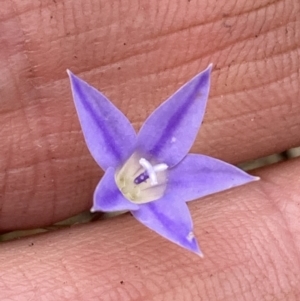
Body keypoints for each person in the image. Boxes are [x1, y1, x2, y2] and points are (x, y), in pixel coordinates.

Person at [0, 0, 299, 299]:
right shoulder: (111, 186)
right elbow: (104, 182)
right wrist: (104, 202)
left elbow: (187, 202)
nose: (141, 176)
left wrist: (182, 235)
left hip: (147, 196)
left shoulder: (137, 190)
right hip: (128, 188)